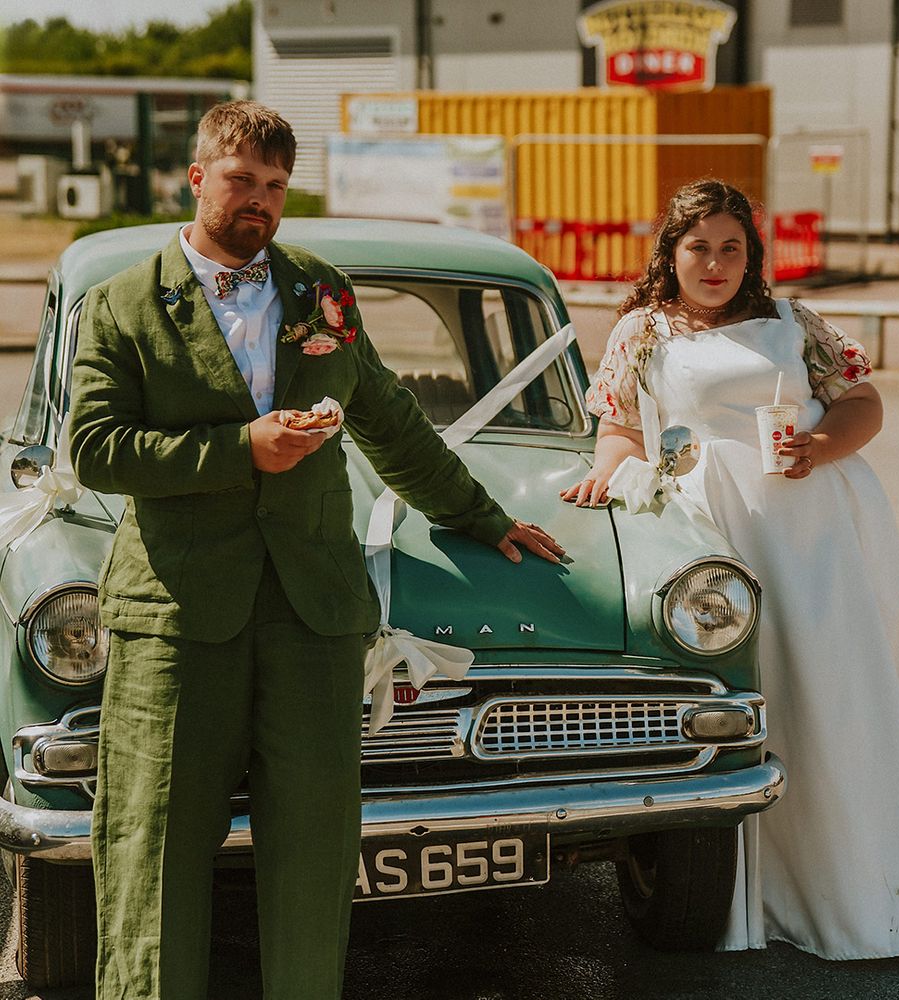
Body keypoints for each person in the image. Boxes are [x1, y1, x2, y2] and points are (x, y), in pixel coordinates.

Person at [68, 100, 563, 1000]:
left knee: (314, 848)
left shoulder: (320, 292)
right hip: (177, 618)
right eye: (241, 180)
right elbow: (96, 450)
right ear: (197, 176)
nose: (258, 200)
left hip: (314, 615)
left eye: (276, 187)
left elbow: (388, 420)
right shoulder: (122, 306)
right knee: (155, 849)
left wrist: (485, 516)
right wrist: (239, 450)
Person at [562, 178, 899, 959]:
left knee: (831, 696)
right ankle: (753, 887)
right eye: (698, 248)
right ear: (671, 253)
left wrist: (821, 446)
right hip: (708, 529)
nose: (714, 263)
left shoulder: (792, 322)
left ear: (751, 255)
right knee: (744, 695)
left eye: (731, 248)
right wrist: (608, 474)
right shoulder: (641, 332)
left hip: (812, 532)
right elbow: (619, 428)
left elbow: (862, 402)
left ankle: (861, 889)